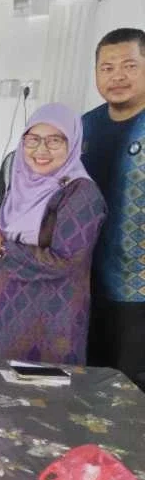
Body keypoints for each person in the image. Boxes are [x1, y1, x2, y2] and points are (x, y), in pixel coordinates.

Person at [0, 104, 106, 364]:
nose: (41, 150)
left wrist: (0, 245)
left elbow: (65, 262)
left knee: (39, 387)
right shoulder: (20, 184)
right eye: (33, 139)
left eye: (54, 140)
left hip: (51, 322)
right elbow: (32, 231)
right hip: (7, 313)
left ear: (73, 143)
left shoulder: (81, 194)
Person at [82, 28, 145, 385]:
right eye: (107, 68)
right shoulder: (85, 127)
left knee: (130, 391)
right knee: (85, 383)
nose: (117, 76)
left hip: (137, 295)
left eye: (129, 66)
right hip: (83, 283)